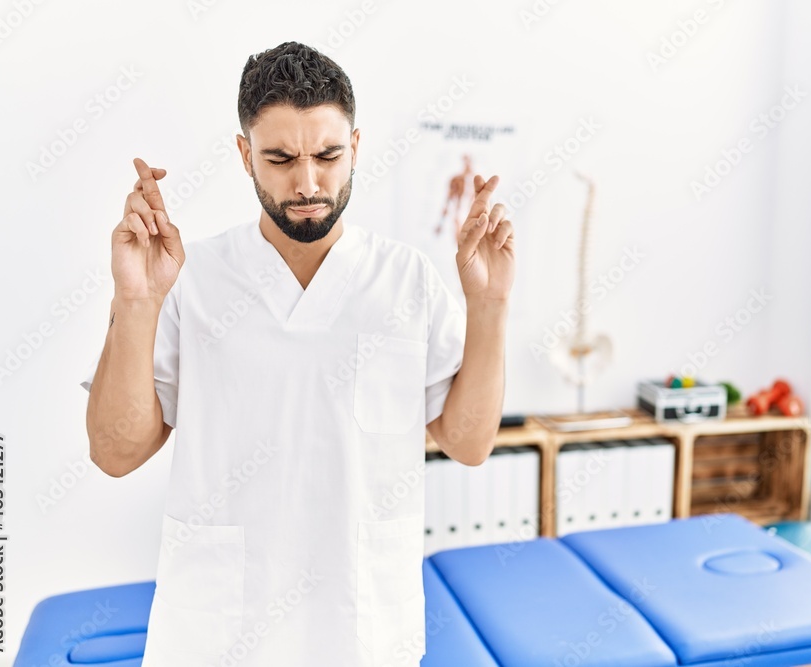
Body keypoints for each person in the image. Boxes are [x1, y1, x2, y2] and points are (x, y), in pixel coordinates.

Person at [79, 41, 513, 667]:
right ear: (244, 154)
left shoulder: (406, 280)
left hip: (361, 630)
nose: (308, 183)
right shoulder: (186, 277)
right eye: (280, 158)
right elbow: (115, 451)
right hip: (218, 636)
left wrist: (490, 306)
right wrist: (137, 300)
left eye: (329, 156)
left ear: (356, 148)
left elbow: (468, 444)